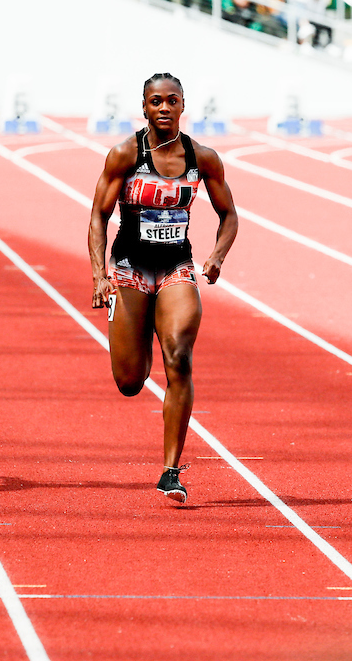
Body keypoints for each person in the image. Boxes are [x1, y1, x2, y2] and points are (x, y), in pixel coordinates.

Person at [88, 74, 238, 503]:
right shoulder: (124, 155)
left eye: (172, 101)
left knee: (180, 357)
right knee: (130, 381)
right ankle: (136, 335)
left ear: (183, 105)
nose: (165, 108)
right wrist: (100, 274)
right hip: (130, 268)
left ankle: (171, 471)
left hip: (176, 266)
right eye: (156, 101)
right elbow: (98, 216)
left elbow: (230, 215)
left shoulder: (203, 158)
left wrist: (216, 256)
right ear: (144, 107)